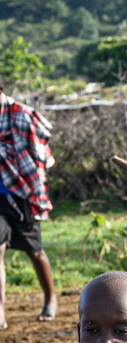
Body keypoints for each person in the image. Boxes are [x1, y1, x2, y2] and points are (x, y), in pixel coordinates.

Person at [0, 74, 58, 329]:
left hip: (19, 194)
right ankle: (0, 311)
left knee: (35, 251)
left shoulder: (20, 114)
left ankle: (51, 298)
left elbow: (40, 153)